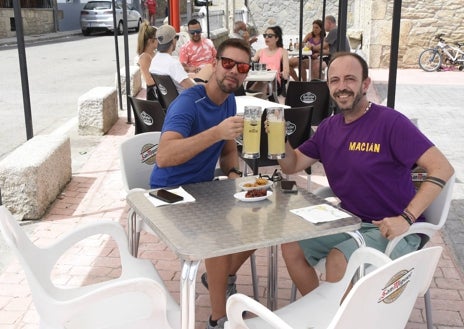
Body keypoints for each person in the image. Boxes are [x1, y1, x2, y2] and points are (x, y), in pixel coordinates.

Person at [278, 52, 454, 296]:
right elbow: (292, 164)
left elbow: (443, 168)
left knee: (339, 259)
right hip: (352, 222)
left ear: (365, 84)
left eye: (350, 79)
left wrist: (406, 218)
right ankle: (326, 315)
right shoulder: (329, 128)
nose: (342, 87)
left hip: (395, 229)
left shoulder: (390, 122)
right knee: (291, 244)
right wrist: (278, 140)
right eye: (334, 80)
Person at [149, 38, 254, 329]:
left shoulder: (230, 101)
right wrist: (215, 132)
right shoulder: (188, 103)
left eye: (241, 66)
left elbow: (229, 150)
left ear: (246, 73)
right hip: (168, 193)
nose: (234, 71)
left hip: (204, 191)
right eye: (228, 63)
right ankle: (218, 319)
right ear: (214, 64)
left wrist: (234, 176)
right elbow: (164, 156)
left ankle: (219, 278)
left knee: (261, 221)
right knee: (218, 236)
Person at [149, 24, 211, 93]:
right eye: (176, 37)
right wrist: (205, 85)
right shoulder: (173, 63)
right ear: (173, 40)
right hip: (186, 99)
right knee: (210, 68)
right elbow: (192, 88)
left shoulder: (154, 61)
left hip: (170, 100)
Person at [249, 25, 289, 98]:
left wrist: (284, 73)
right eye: (265, 35)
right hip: (258, 78)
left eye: (270, 36)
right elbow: (251, 64)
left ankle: (251, 96)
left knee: (264, 83)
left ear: (277, 38)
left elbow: (286, 70)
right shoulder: (260, 51)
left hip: (273, 81)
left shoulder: (282, 51)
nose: (266, 37)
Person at [136, 21, 158, 100]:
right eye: (157, 38)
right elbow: (149, 81)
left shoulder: (153, 53)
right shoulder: (144, 57)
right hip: (154, 94)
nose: (159, 41)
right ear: (150, 40)